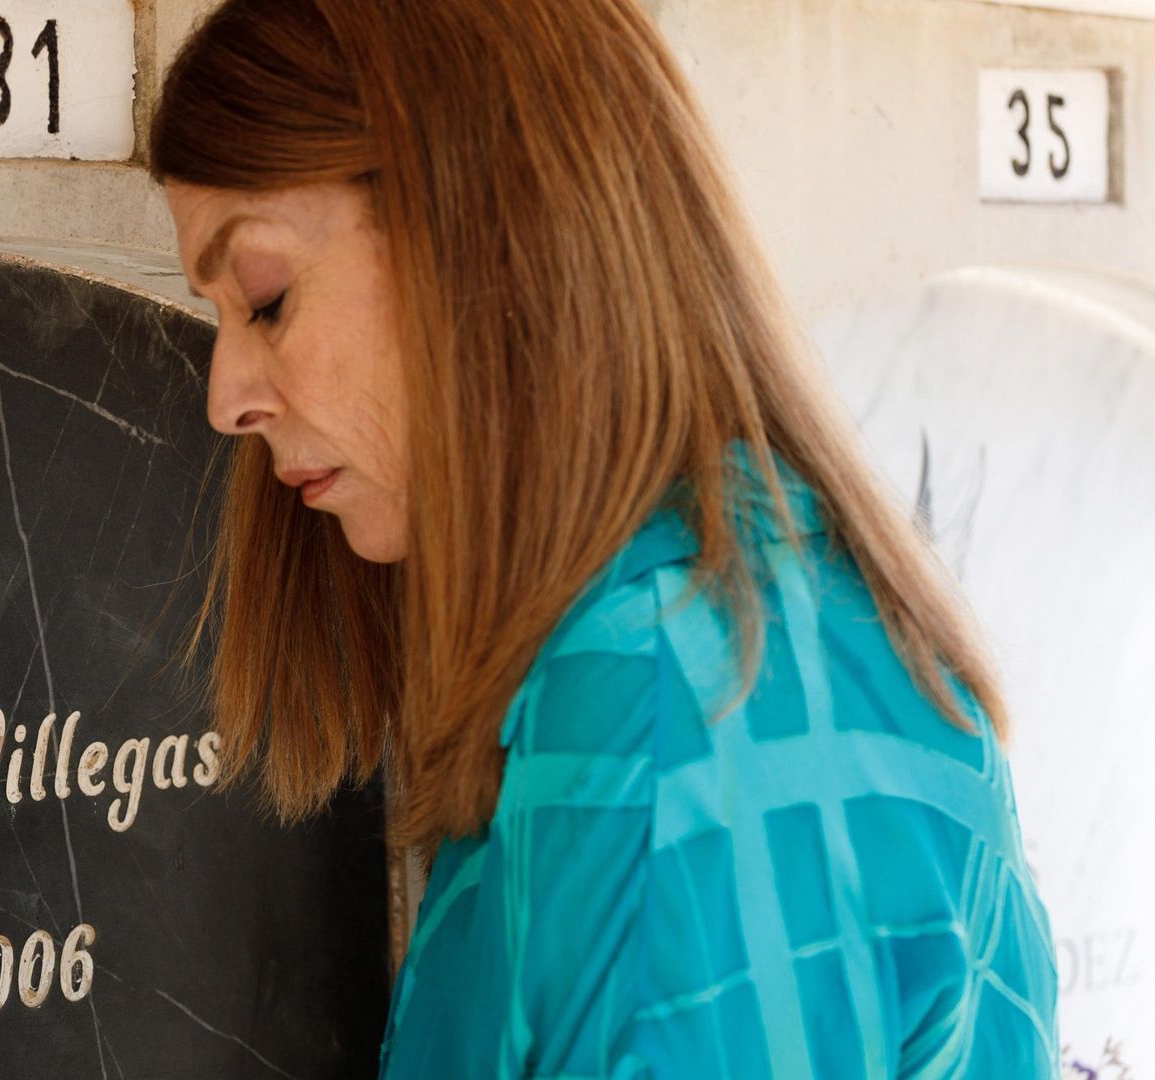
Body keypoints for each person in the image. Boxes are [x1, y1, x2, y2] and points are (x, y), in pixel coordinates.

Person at [148, 0, 1059, 1075]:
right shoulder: (705, 636)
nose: (226, 398)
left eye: (264, 298)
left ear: (487, 230)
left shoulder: (667, 703)